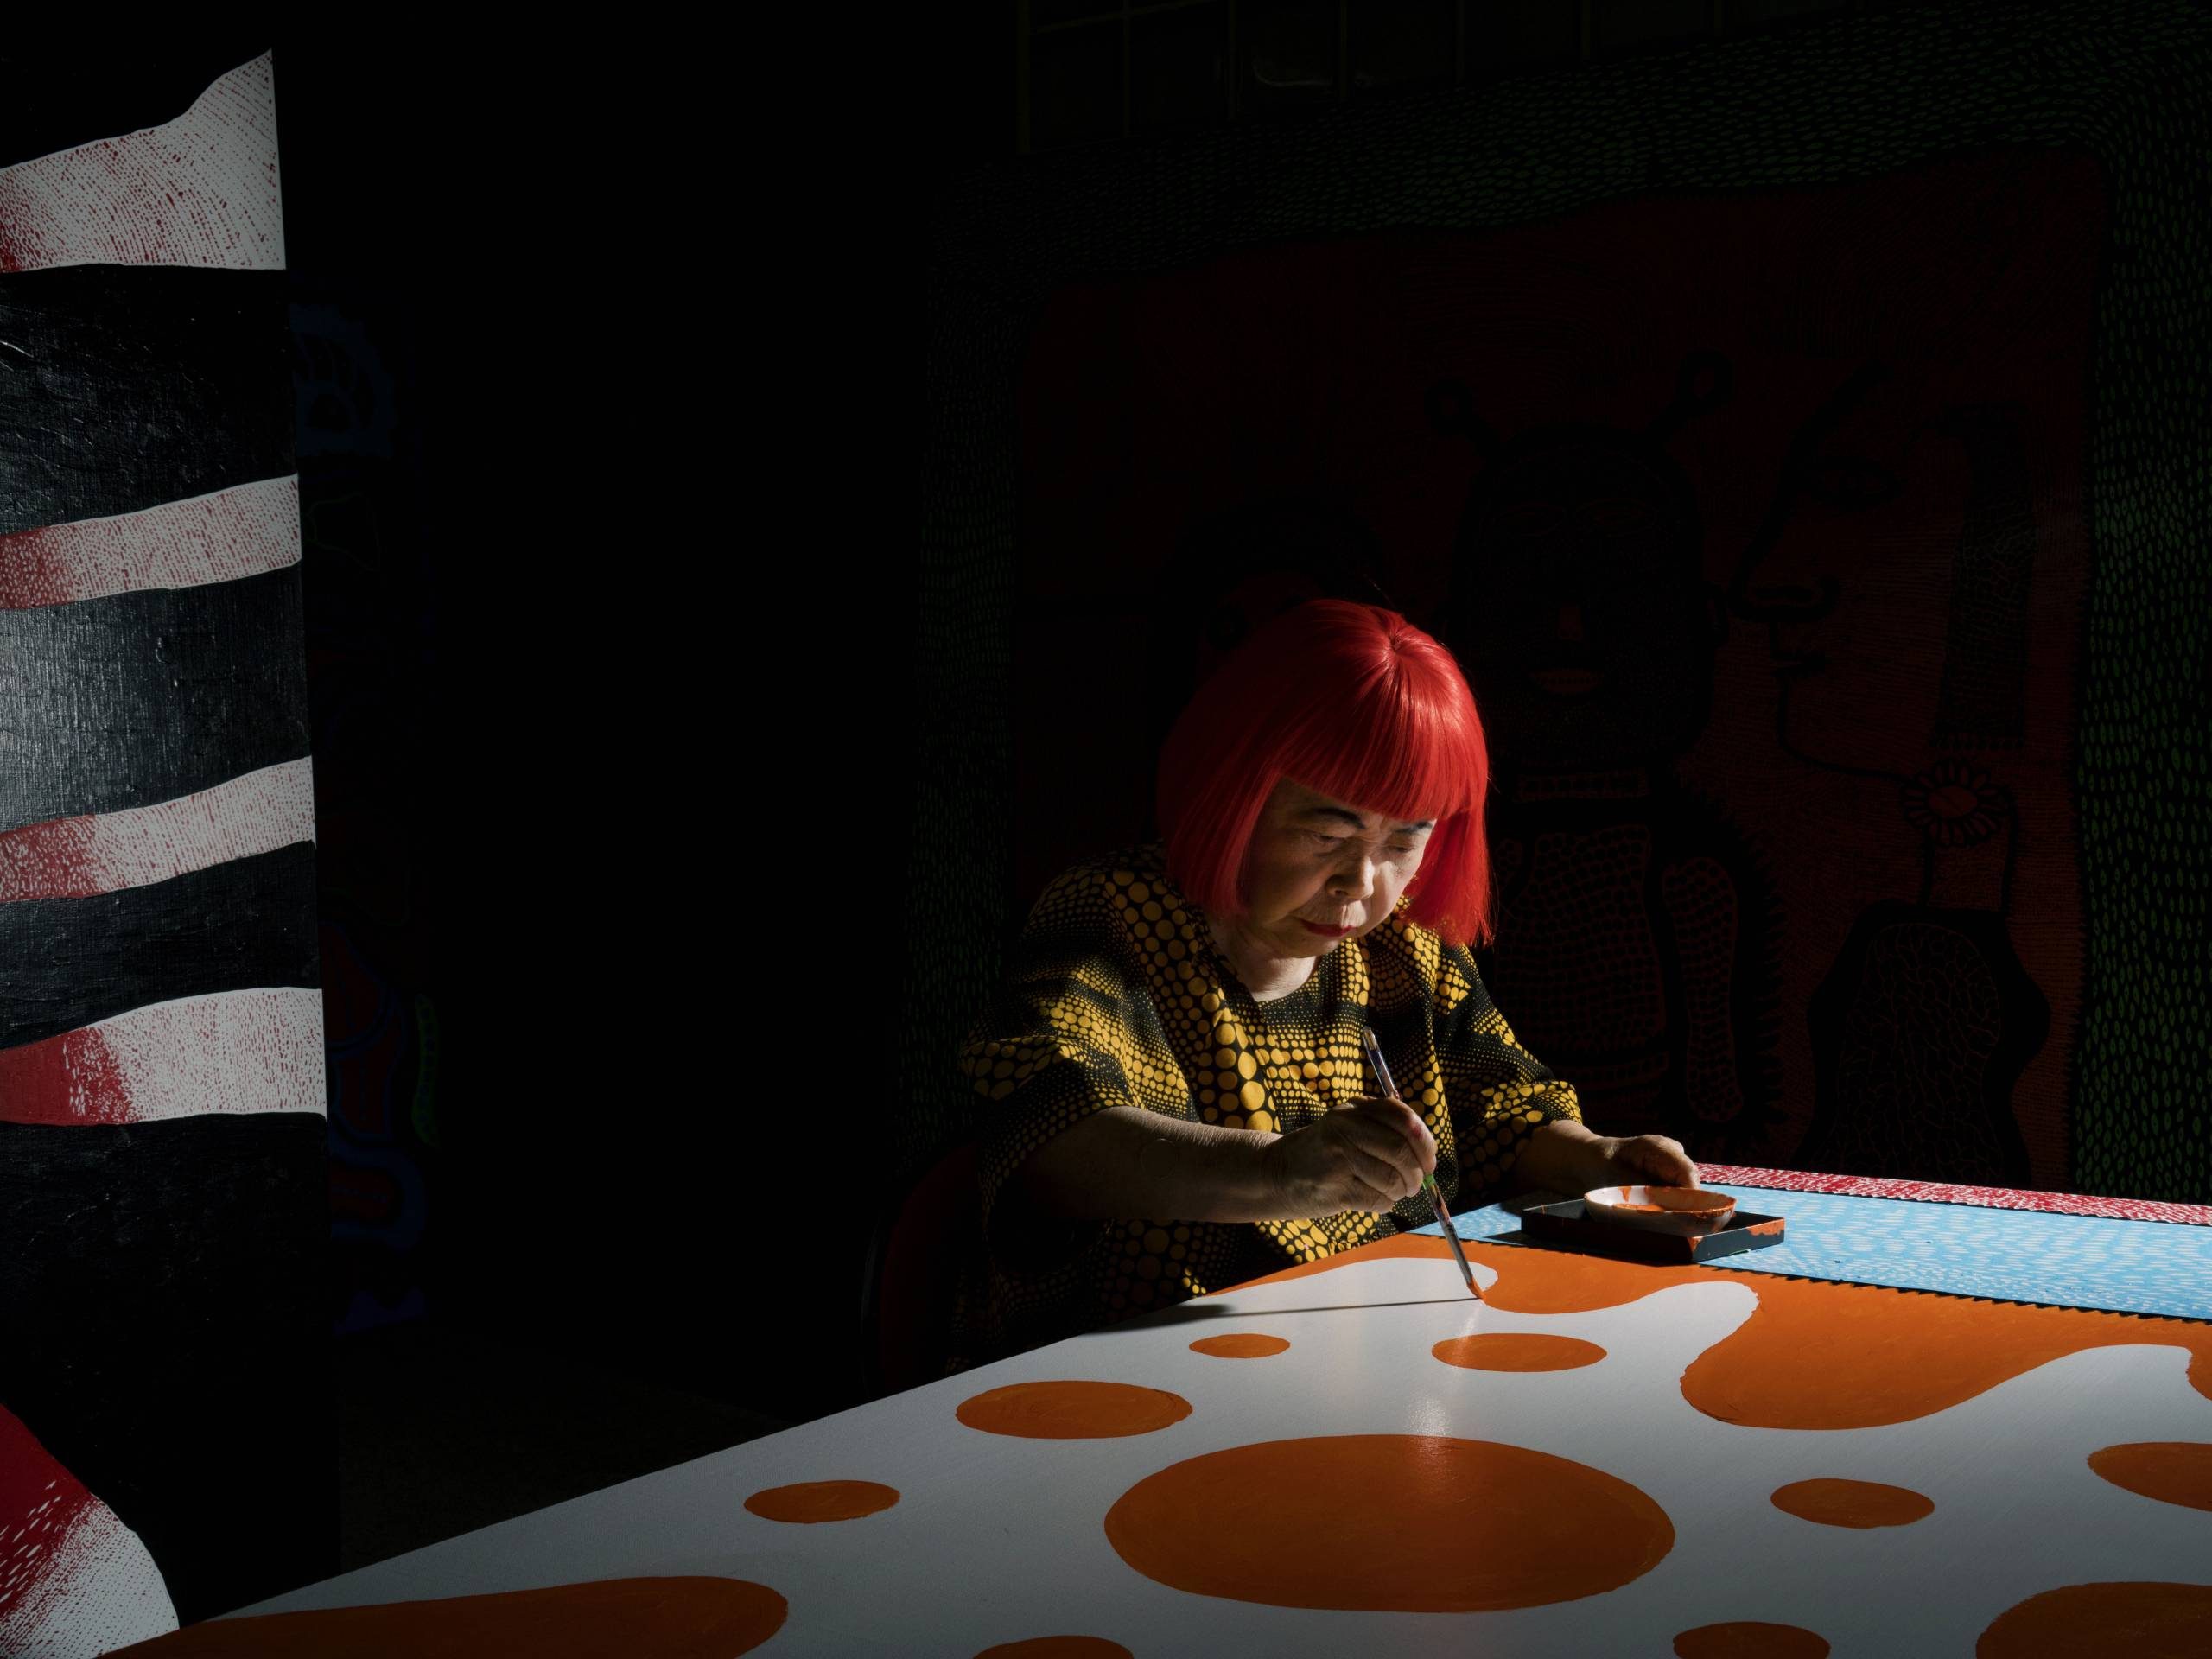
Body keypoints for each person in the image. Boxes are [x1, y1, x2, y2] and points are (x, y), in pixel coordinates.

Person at [952, 598, 1696, 1365]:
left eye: (1406, 841)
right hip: (1120, 1380)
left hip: (1354, 1364)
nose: (1362, 883)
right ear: (1231, 794)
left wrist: (1599, 1161)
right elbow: (1048, 1137)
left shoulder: (1404, 950)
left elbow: (1499, 1108)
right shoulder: (1114, 915)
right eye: (1326, 833)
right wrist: (1279, 1172)